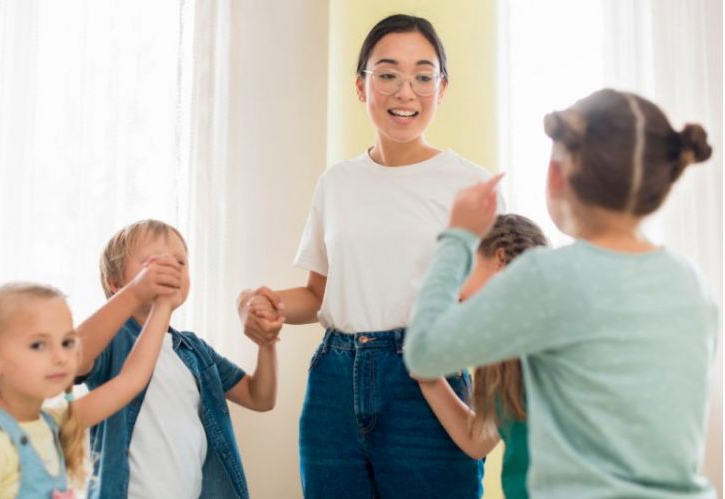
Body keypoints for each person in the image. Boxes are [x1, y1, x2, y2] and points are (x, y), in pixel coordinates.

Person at [405, 88, 717, 498]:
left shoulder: (547, 277)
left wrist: (459, 237)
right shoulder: (691, 282)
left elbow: (424, 351)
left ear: (558, 174)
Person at [239, 14, 501, 498]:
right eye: (387, 74)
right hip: (333, 387)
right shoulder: (336, 182)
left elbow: (494, 310)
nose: (406, 91)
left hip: (429, 382)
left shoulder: (471, 186)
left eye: (424, 76)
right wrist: (264, 303)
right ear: (361, 87)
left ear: (443, 88)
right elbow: (318, 295)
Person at [77, 219, 282, 499]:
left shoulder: (194, 350)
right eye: (153, 263)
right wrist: (136, 292)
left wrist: (266, 345)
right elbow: (73, 357)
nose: (171, 269)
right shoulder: (112, 340)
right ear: (116, 284)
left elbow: (260, 398)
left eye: (180, 263)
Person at [0, 270, 180, 498]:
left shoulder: (53, 422)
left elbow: (131, 381)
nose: (61, 357)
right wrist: (134, 292)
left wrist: (162, 307)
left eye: (66, 342)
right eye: (38, 345)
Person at [418, 213, 549, 499]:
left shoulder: (553, 331)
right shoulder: (498, 354)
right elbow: (477, 441)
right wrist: (428, 379)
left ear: (500, 257)